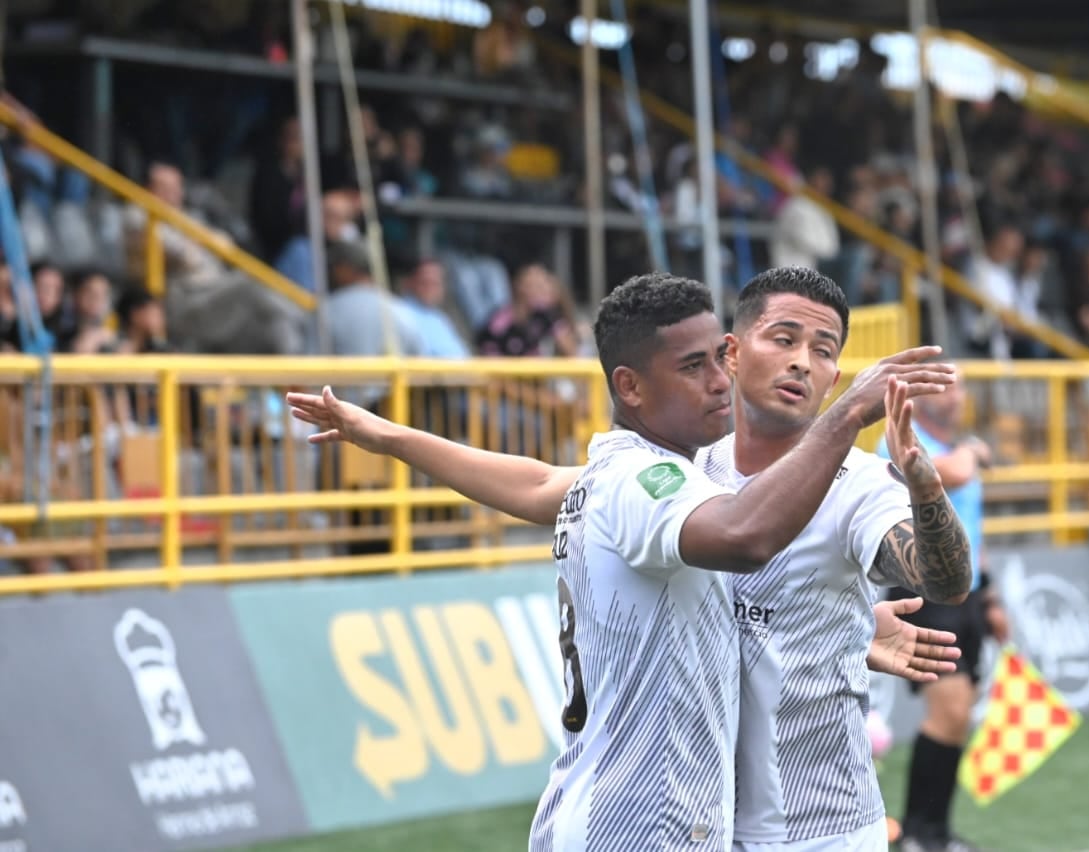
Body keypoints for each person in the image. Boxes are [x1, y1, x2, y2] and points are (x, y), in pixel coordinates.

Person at [289, 267, 971, 851]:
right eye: (784, 339)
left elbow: (944, 577)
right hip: (668, 820)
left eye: (824, 351)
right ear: (739, 350)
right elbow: (738, 535)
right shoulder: (668, 474)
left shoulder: (851, 483)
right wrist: (847, 416)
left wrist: (842, 621)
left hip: (817, 824)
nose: (802, 361)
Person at [876, 370, 1008, 852]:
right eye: (947, 387)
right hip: (925, 591)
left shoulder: (956, 448)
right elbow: (953, 473)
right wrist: (973, 451)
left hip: (967, 595)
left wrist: (990, 598)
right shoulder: (898, 440)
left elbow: (973, 531)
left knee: (959, 717)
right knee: (947, 709)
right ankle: (915, 834)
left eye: (961, 388)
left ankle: (936, 832)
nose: (957, 397)